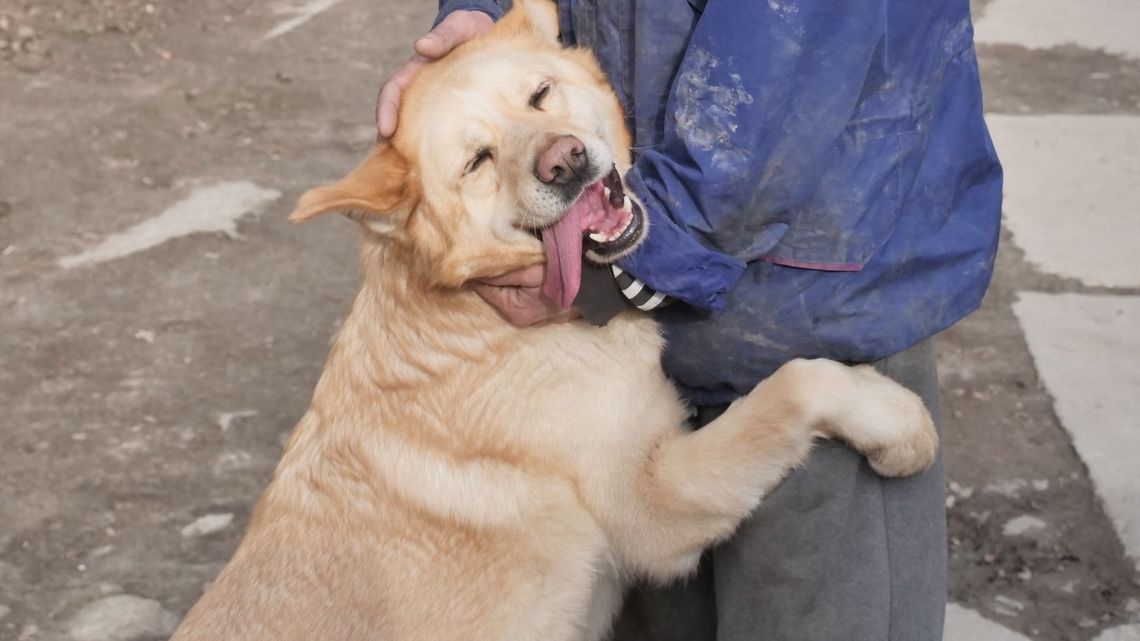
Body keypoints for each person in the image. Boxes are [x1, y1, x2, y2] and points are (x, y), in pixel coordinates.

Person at [377, 1, 1002, 639]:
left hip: (808, 309)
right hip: (631, 329)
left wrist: (620, 256)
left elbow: (788, 55)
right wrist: (489, 25)